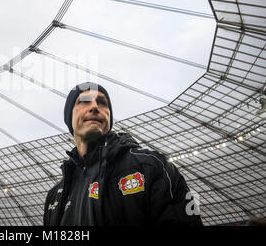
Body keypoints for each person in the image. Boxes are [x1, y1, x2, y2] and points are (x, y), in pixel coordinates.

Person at [43, 82, 203, 226]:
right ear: (69, 117)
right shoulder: (55, 196)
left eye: (102, 103)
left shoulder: (151, 166)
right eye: (84, 101)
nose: (94, 107)